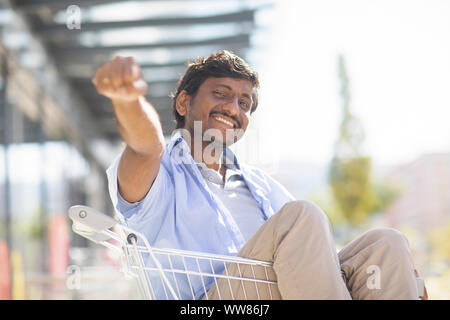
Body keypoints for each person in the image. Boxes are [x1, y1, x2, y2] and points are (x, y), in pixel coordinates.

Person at [92, 51, 427, 300]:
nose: (234, 109)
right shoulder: (162, 175)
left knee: (387, 244)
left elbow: (315, 262)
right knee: (303, 215)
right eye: (220, 94)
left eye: (245, 103)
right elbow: (145, 147)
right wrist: (129, 100)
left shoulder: (263, 186)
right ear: (183, 103)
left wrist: (405, 280)